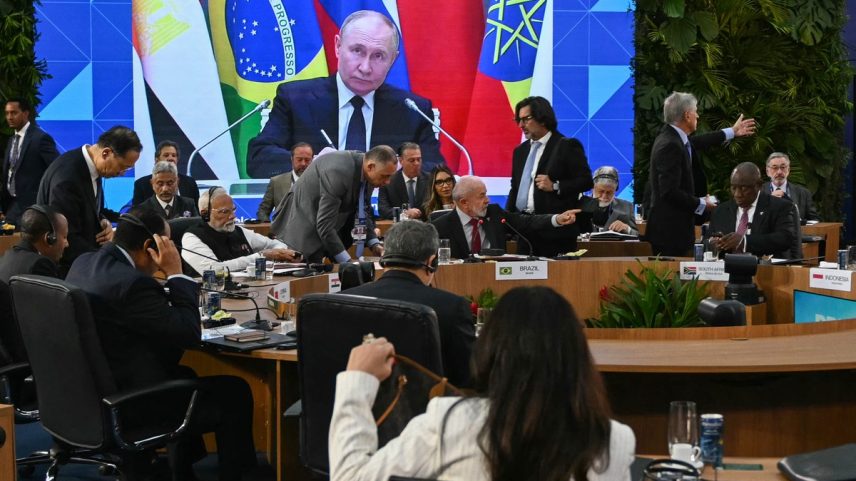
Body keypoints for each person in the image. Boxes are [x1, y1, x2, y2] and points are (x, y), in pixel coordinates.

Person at [328, 286, 635, 481]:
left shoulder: (449, 421)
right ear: (578, 356)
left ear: (490, 349)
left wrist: (358, 380)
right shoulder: (615, 440)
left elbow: (350, 476)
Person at [65, 211, 257, 480]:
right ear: (149, 247)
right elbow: (189, 334)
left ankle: (180, 472)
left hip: (88, 393)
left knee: (185, 376)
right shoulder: (133, 285)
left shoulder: (83, 263)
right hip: (131, 401)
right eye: (167, 245)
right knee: (234, 391)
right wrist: (176, 274)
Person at [246, 10, 443, 178]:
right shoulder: (296, 99)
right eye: (357, 50)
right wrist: (312, 163)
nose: (365, 67)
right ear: (338, 46)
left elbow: (436, 170)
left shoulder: (412, 110)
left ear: (393, 59)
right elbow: (259, 158)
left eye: (378, 56)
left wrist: (402, 168)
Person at [342, 221, 474, 386]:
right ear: (432, 262)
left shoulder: (342, 300)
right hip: (429, 409)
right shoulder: (453, 307)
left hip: (352, 403)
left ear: (384, 256)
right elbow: (467, 377)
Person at [646, 92, 756, 256]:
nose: (698, 115)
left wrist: (731, 132)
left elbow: (698, 142)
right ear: (687, 115)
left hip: (673, 231)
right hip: (670, 235)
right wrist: (701, 203)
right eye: (696, 111)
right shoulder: (670, 144)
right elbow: (669, 191)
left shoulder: (672, 137)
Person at [36, 126, 142, 274]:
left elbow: (88, 208)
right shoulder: (68, 178)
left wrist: (103, 220)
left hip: (82, 263)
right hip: (67, 271)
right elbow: (67, 238)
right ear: (106, 153)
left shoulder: (92, 167)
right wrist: (108, 259)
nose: (122, 173)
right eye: (123, 167)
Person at [272, 146, 396, 263]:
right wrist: (346, 261)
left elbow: (363, 211)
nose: (388, 182)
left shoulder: (368, 173)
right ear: (371, 167)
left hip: (327, 230)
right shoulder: (338, 172)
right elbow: (324, 225)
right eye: (385, 176)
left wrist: (375, 245)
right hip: (301, 231)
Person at [505, 96, 593, 256]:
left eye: (526, 119)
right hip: (525, 232)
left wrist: (556, 186)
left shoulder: (566, 145)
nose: (520, 125)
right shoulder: (520, 151)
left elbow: (586, 181)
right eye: (518, 120)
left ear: (543, 118)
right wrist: (507, 222)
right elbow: (515, 188)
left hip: (556, 232)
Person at [432, 176, 580, 259]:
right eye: (482, 196)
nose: (487, 200)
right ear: (464, 202)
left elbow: (526, 222)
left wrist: (557, 219)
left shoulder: (494, 213)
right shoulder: (440, 227)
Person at [0, 205, 68, 363]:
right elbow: (56, 322)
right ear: (49, 238)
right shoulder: (40, 265)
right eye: (64, 237)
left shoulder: (6, 258)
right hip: (31, 358)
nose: (67, 244)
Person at [182, 187, 300, 276]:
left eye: (233, 210)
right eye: (224, 212)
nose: (232, 216)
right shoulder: (192, 238)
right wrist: (261, 256)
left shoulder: (238, 230)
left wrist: (281, 252)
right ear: (205, 214)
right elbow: (213, 270)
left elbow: (275, 245)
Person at [705, 162, 794, 258]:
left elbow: (785, 239)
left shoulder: (779, 207)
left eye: (743, 188)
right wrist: (712, 243)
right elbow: (705, 241)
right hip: (725, 270)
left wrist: (744, 241)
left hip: (764, 270)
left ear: (758, 185)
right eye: (733, 188)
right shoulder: (720, 211)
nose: (737, 194)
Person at [1, 98, 59, 226]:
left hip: (34, 208)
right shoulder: (12, 140)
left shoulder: (41, 138)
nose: (9, 117)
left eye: (14, 113)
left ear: (25, 113)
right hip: (12, 208)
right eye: (7, 113)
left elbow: (57, 169)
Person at [131, 140, 200, 206]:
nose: (171, 158)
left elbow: (197, 212)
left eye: (174, 155)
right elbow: (136, 213)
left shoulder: (190, 182)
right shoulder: (141, 184)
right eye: (166, 155)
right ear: (156, 160)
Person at [256, 142, 313, 220]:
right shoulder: (276, 182)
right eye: (299, 159)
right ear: (292, 159)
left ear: (312, 160)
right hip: (281, 231)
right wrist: (269, 228)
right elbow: (263, 211)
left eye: (307, 160)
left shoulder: (321, 182)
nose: (303, 163)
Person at [377, 143, 431, 219]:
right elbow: (383, 210)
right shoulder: (388, 181)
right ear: (401, 160)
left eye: (419, 159)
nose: (417, 163)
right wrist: (405, 213)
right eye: (412, 160)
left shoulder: (430, 179)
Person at [579, 166, 638, 235]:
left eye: (609, 192)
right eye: (600, 191)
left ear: (615, 190)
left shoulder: (627, 206)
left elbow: (637, 235)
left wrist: (627, 229)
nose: (604, 196)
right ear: (593, 188)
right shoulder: (579, 205)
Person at [761, 152, 818, 223]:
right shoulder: (758, 192)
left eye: (783, 167)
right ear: (767, 172)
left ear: (788, 169)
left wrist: (799, 222)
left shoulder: (803, 193)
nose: (779, 172)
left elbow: (814, 221)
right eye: (775, 168)